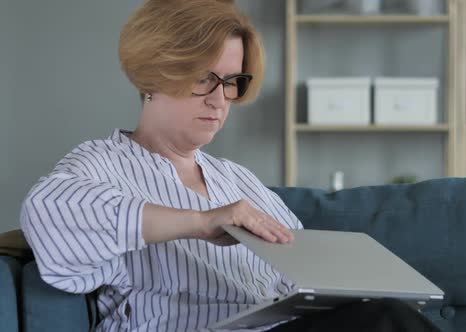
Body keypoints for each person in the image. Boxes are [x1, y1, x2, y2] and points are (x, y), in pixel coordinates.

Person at [20, 0, 441, 331]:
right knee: (385, 321)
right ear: (153, 76)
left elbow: (301, 273)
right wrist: (200, 221)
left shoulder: (239, 181)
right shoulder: (101, 165)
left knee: (388, 312)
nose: (219, 100)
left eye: (231, 82)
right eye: (205, 78)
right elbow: (47, 211)